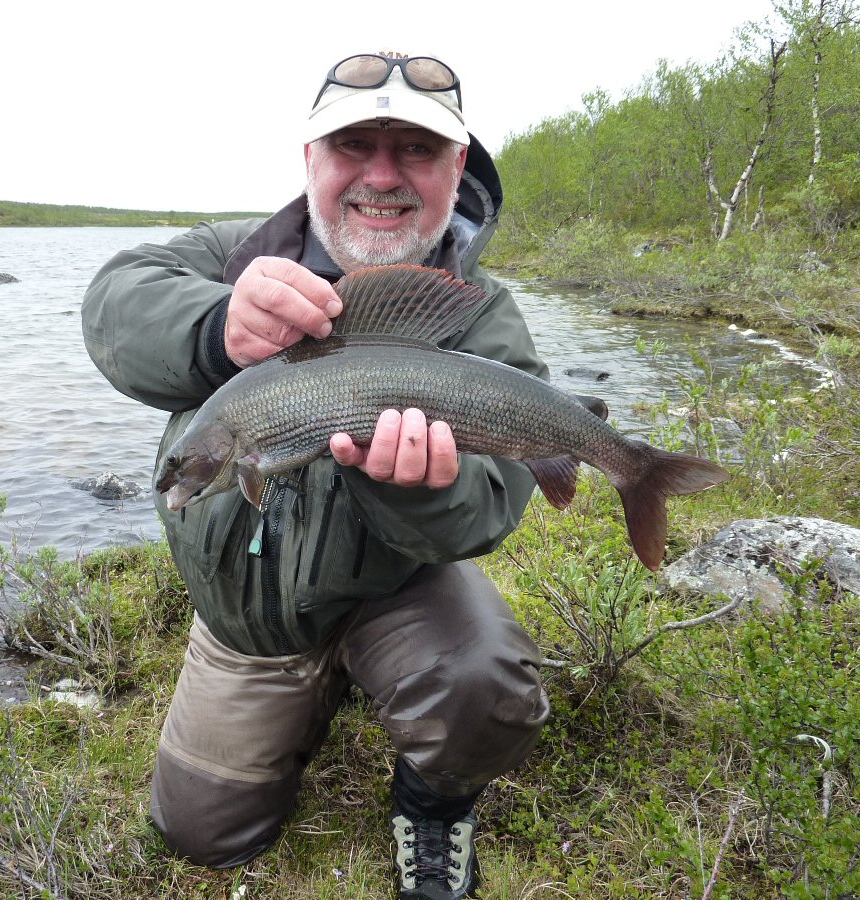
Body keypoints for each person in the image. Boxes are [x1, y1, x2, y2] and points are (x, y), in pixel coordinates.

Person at [82, 51, 552, 900]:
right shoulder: (231, 254)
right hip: (251, 610)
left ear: (458, 167)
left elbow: (490, 509)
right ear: (310, 161)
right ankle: (310, 688)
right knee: (200, 834)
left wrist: (420, 486)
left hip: (396, 589)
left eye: (414, 148)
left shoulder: (481, 315)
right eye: (353, 145)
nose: (382, 175)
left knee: (485, 682)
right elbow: (115, 304)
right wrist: (220, 326)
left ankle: (434, 805)